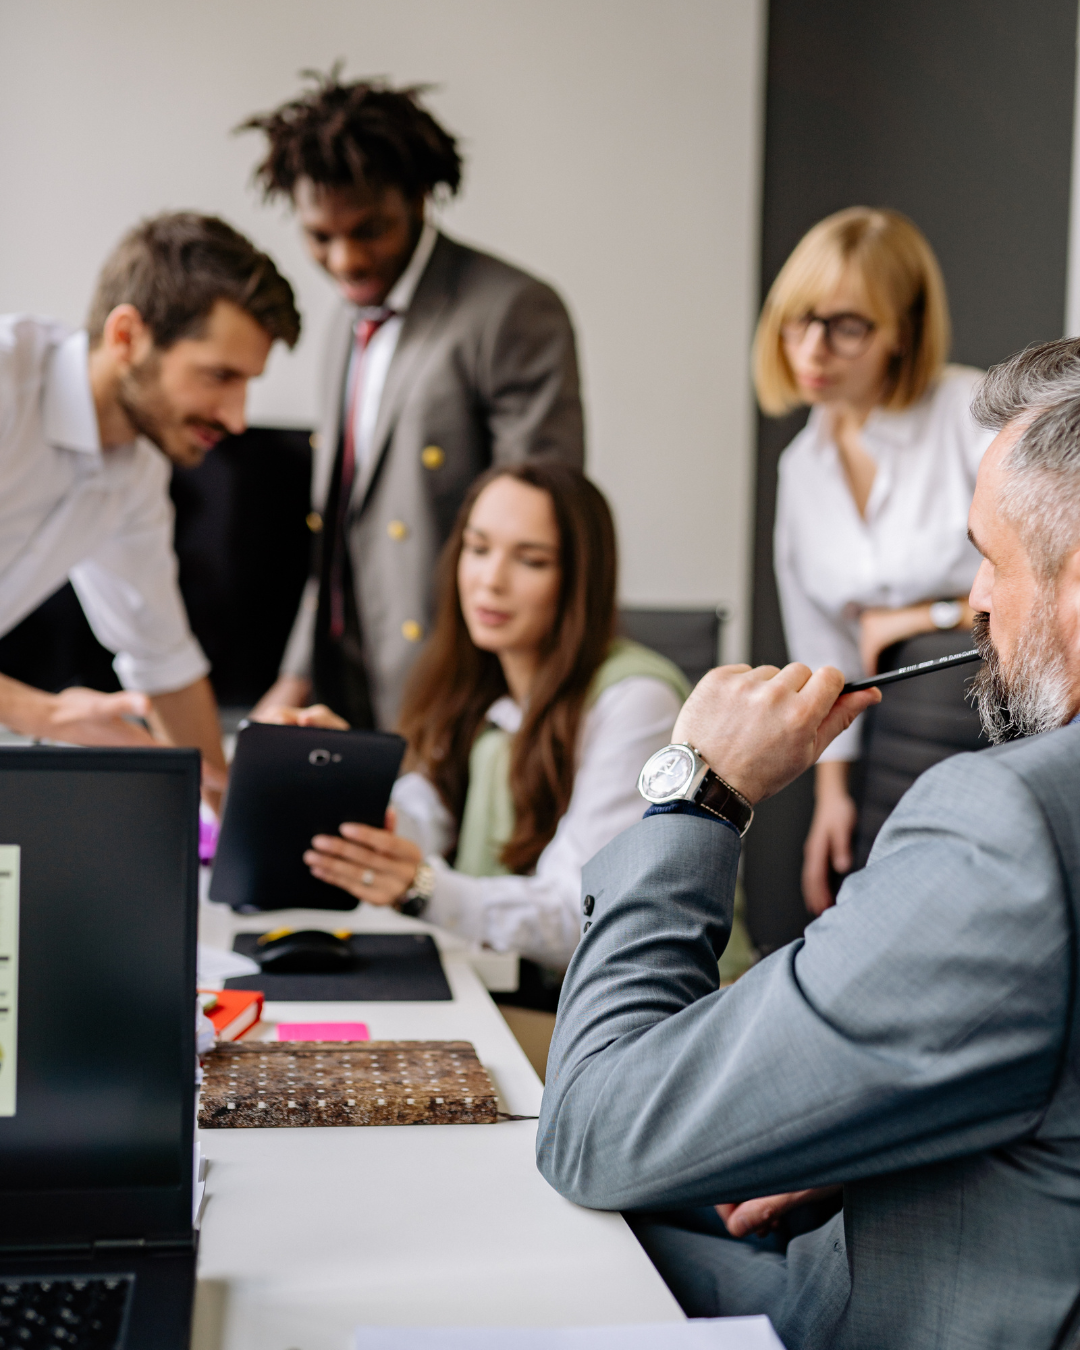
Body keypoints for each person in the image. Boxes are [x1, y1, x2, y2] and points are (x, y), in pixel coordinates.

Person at [536, 338, 1080, 1349]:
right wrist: (876, 1135)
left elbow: (596, 1129)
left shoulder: (1012, 832)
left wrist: (699, 793)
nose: (974, 603)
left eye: (988, 557)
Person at [242, 72, 585, 733]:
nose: (344, 259)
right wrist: (295, 673)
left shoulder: (513, 310)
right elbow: (340, 523)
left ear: (421, 200)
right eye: (319, 236)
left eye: (370, 229)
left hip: (455, 689)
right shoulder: (347, 322)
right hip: (345, 681)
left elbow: (539, 525)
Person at [268, 462, 687, 973]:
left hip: (635, 1018)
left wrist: (419, 888)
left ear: (580, 581)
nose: (490, 580)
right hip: (518, 991)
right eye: (478, 548)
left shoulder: (636, 703)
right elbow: (427, 811)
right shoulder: (475, 683)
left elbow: (580, 913)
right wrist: (349, 784)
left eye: (530, 560)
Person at [0, 212, 300, 806]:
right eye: (219, 376)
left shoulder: (136, 475)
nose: (237, 418)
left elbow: (163, 659)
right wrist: (46, 716)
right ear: (127, 336)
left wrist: (236, 820)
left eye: (247, 385)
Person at [756, 207, 994, 913]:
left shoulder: (971, 410)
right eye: (799, 319)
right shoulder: (803, 466)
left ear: (903, 331)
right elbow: (821, 643)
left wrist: (928, 614)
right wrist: (832, 800)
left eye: (847, 325)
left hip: (986, 721)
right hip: (879, 737)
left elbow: (1052, 568)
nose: (813, 348)